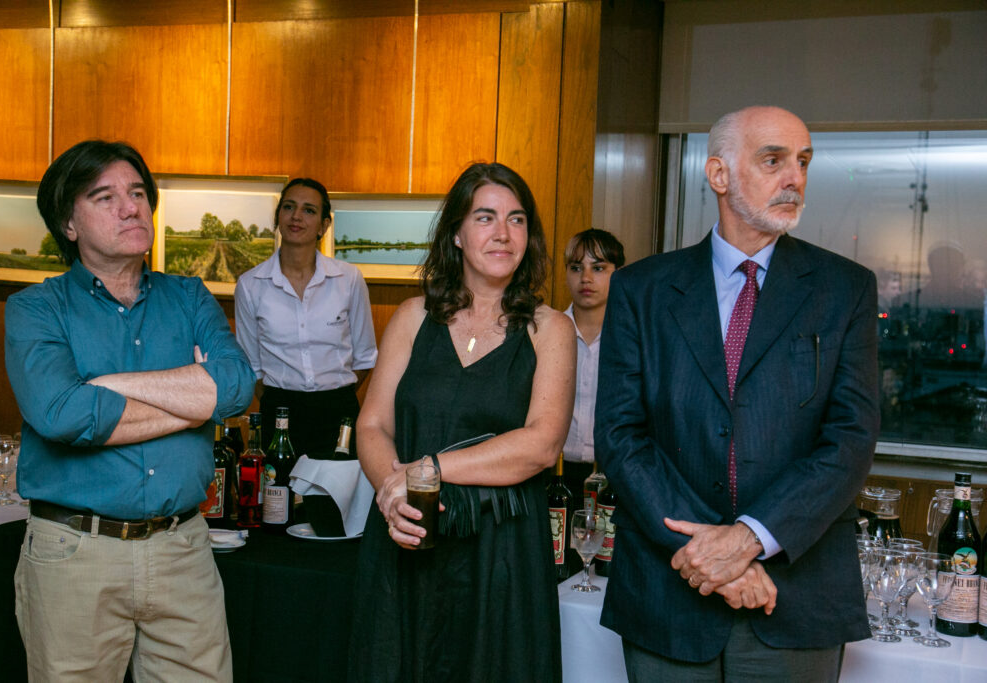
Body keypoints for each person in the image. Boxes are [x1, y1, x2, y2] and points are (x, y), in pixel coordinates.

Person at [595, 106, 879, 681]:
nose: (794, 178)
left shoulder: (845, 288)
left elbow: (850, 440)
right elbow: (621, 437)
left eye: (803, 162)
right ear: (719, 174)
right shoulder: (641, 289)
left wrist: (750, 538)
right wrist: (712, 553)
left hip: (796, 596)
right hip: (667, 592)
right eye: (773, 160)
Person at [3, 140, 255, 680]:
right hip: (75, 553)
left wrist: (107, 386)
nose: (131, 207)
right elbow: (64, 415)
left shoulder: (189, 297)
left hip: (183, 547)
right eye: (106, 197)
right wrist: (195, 403)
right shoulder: (36, 309)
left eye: (138, 193)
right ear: (69, 224)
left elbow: (236, 388)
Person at [347, 162, 575, 681]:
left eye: (517, 219)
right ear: (456, 233)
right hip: (407, 538)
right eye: (485, 217)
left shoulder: (549, 329)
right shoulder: (412, 316)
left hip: (502, 556)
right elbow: (372, 425)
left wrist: (425, 469)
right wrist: (392, 492)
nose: (503, 233)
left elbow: (541, 444)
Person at [234, 177, 377, 456]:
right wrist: (282, 400)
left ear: (324, 225)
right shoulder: (251, 285)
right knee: (279, 485)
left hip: (339, 411)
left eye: (309, 210)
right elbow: (252, 366)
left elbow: (365, 357)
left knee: (340, 484)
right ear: (278, 217)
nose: (296, 216)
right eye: (289, 207)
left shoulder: (348, 279)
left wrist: (332, 395)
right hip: (280, 412)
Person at [560, 228, 625, 498]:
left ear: (618, 273)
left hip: (614, 473)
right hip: (555, 471)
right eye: (576, 268)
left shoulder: (630, 338)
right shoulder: (548, 334)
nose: (585, 278)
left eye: (598, 268)